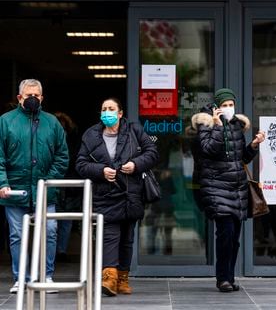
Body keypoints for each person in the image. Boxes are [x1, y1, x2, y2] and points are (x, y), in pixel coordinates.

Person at [76, 97, 158, 297]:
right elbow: (80, 164)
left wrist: (136, 165)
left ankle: (123, 278)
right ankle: (109, 278)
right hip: (105, 195)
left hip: (131, 193)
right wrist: (101, 170)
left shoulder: (134, 130)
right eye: (104, 109)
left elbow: (152, 152)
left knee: (127, 239)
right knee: (109, 237)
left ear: (120, 113)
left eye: (111, 109)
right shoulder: (91, 135)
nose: (107, 112)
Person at [191, 88, 265, 292]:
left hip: (237, 188)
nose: (229, 109)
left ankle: (229, 277)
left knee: (234, 239)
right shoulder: (205, 124)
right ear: (216, 107)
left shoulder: (236, 125)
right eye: (225, 105)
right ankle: (222, 278)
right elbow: (208, 149)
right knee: (225, 234)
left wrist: (254, 145)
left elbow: (242, 158)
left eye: (231, 105)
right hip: (216, 187)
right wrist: (217, 125)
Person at [0, 79, 69, 294]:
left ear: (42, 98)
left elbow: (62, 155)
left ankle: (46, 276)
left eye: (36, 95)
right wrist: (2, 182)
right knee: (17, 235)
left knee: (49, 231)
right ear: (19, 98)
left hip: (45, 189)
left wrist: (48, 180)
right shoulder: (5, 121)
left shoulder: (52, 123)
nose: (33, 99)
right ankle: (21, 278)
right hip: (15, 190)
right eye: (28, 95)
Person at [54, 111, 81, 263]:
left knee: (67, 220)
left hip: (70, 185)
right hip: (56, 184)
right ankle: (53, 251)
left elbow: (75, 161)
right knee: (52, 221)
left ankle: (61, 250)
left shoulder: (73, 142)